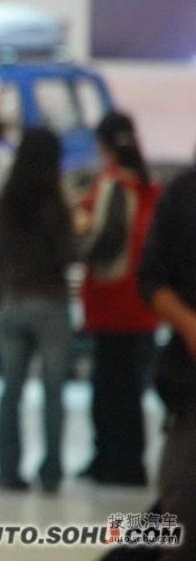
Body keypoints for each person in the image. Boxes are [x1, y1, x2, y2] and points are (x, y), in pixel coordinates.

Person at [75, 112, 161, 487]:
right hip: (143, 303)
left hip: (111, 300)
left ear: (102, 144)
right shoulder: (149, 186)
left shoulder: (113, 184)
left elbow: (107, 241)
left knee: (109, 388)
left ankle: (113, 462)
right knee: (131, 390)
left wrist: (81, 241)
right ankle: (129, 460)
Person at [0, 127, 74, 493]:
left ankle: (7, 468)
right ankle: (51, 471)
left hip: (13, 300)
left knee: (10, 391)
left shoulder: (6, 200)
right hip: (50, 302)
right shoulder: (53, 202)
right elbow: (67, 255)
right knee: (53, 393)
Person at [138, 163, 196, 561]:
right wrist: (190, 325)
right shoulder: (184, 194)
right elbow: (151, 276)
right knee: (181, 519)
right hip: (189, 386)